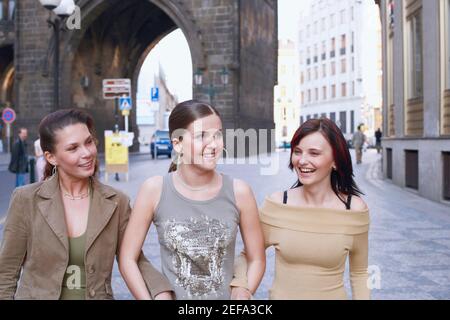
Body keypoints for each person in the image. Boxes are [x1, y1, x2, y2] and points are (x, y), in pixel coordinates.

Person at [0, 109, 173, 300]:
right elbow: (6, 272)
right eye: (73, 148)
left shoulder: (117, 202)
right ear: (51, 157)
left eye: (88, 142)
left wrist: (161, 292)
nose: (87, 153)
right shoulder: (26, 199)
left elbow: (135, 259)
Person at [119, 100, 265, 300]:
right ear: (177, 143)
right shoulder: (154, 190)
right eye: (201, 136)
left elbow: (256, 258)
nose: (214, 144)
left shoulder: (240, 191)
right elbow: (128, 258)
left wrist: (245, 290)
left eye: (218, 135)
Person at [231, 118, 371, 300]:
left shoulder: (354, 209)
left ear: (335, 160)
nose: (302, 160)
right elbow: (247, 255)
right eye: (297, 152)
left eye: (314, 153)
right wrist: (241, 287)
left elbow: (359, 273)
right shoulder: (278, 204)